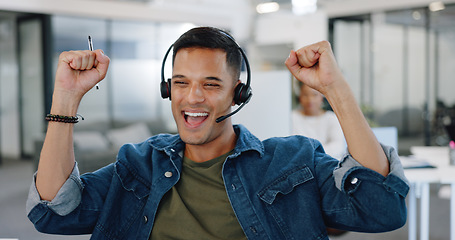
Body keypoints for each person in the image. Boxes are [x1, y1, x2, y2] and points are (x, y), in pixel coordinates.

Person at [26, 27, 409, 239]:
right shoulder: (137, 165)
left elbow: (381, 209)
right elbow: (53, 213)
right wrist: (66, 98)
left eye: (211, 84)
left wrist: (336, 91)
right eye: (180, 82)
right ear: (168, 89)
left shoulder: (293, 160)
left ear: (237, 94)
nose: (192, 98)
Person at [292, 82, 346, 159]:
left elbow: (338, 147)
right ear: (299, 97)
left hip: (328, 162)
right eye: (305, 95)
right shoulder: (293, 117)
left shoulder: (331, 118)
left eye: (314, 95)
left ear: (321, 97)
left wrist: (312, 154)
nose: (310, 99)